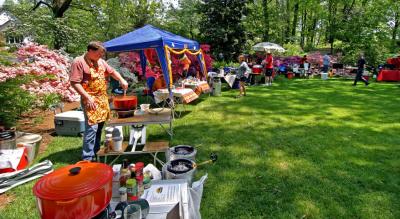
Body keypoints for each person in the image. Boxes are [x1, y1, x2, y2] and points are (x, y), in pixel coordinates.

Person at [70, 41, 128, 161]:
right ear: (90, 51)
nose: (100, 57)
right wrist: (87, 97)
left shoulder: (100, 62)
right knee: (92, 128)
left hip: (102, 99)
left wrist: (122, 80)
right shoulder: (79, 62)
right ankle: (87, 158)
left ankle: (96, 152)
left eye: (102, 54)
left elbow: (112, 72)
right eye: (98, 54)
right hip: (90, 99)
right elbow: (75, 82)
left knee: (100, 127)